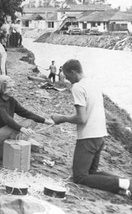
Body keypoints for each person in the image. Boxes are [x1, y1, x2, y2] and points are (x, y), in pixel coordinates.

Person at [52, 59, 132, 196]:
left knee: (80, 177)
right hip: (100, 135)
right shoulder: (93, 83)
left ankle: (125, 184)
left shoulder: (77, 87)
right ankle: (123, 185)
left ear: (73, 71)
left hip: (88, 137)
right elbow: (89, 111)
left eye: (68, 76)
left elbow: (81, 118)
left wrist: (62, 118)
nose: (68, 80)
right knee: (91, 173)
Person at [0, 75, 53, 159]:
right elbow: (7, 119)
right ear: (1, 88)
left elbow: (25, 112)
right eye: (9, 88)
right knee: (13, 127)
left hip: (2, 132)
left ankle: (18, 143)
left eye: (12, 87)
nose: (12, 89)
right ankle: (18, 145)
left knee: (31, 121)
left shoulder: (11, 100)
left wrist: (45, 121)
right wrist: (22, 129)